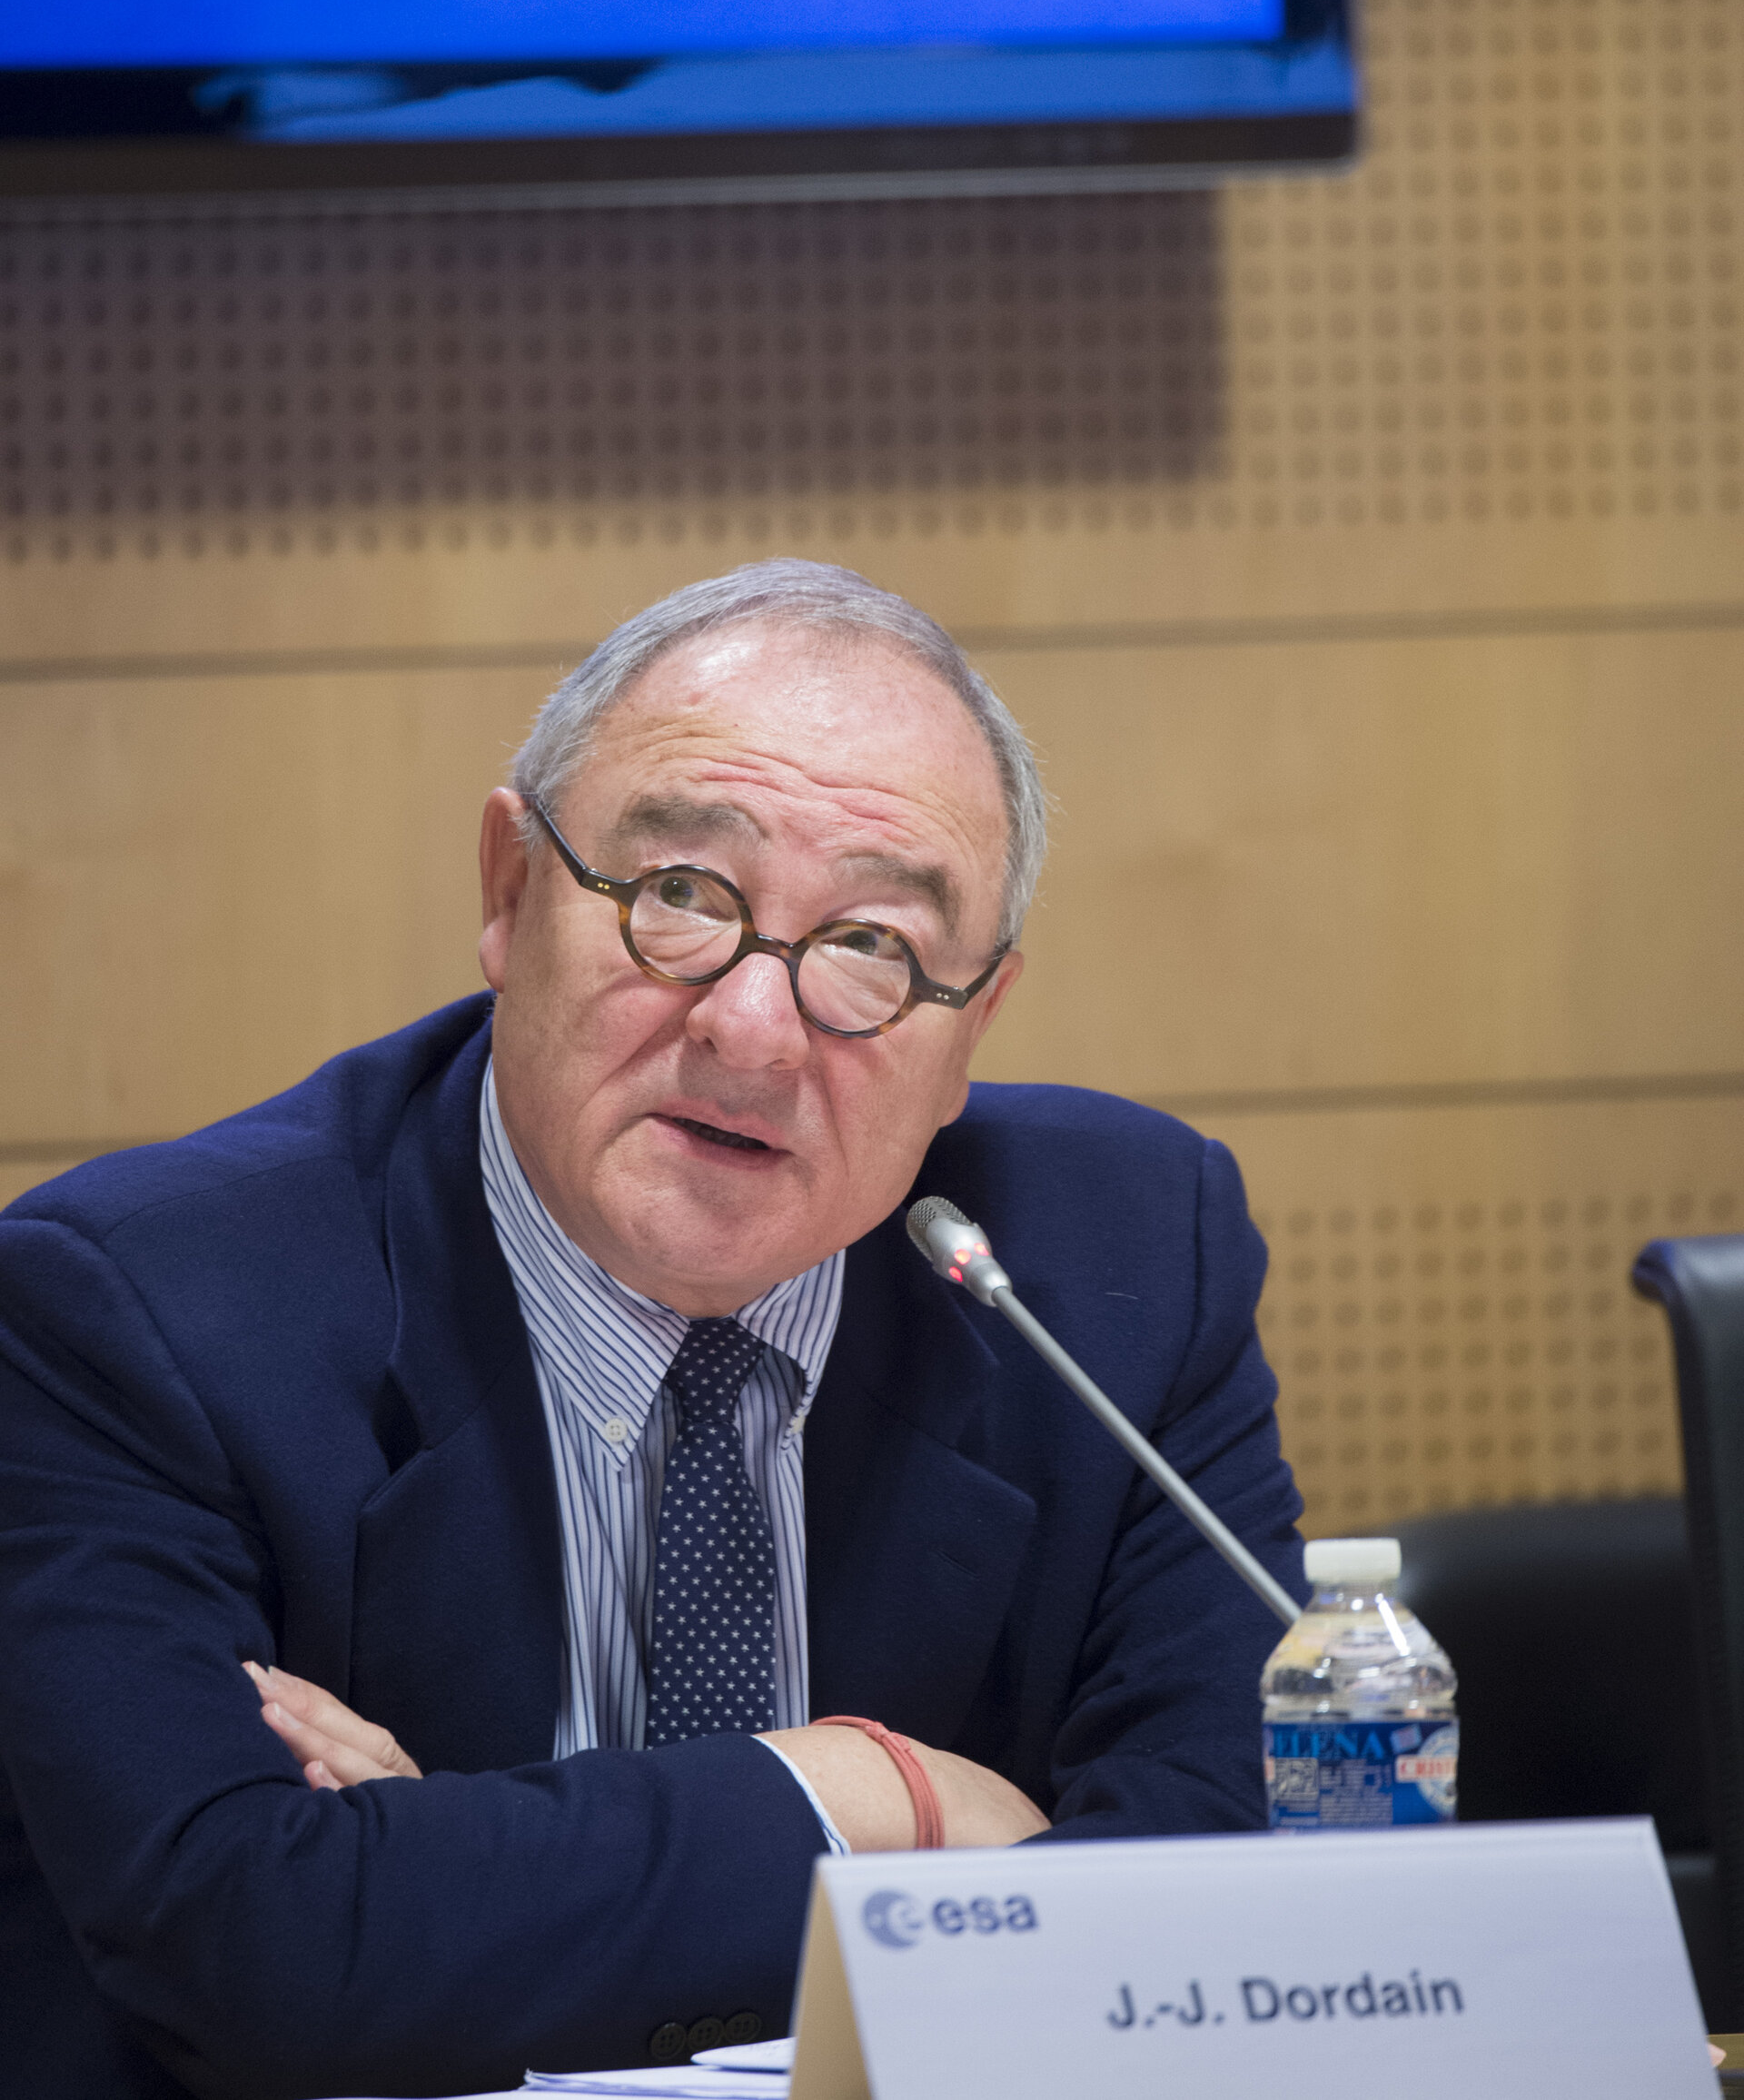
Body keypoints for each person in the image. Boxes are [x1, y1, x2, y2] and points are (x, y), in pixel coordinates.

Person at [0, 560, 1305, 2100]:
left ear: (974, 1028)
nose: (753, 1029)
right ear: (510, 893)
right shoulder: (137, 1308)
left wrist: (464, 1881)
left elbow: (1236, 1902)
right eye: (683, 898)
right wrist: (882, 1803)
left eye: (874, 946)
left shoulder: (1117, 1263)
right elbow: (254, 1946)